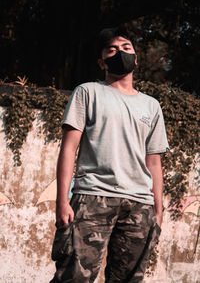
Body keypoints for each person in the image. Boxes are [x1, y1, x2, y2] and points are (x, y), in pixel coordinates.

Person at [50, 26, 170, 283]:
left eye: (126, 48)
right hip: (93, 196)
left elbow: (154, 162)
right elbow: (69, 148)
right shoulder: (88, 92)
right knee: (74, 277)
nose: (120, 53)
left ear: (136, 58)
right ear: (101, 61)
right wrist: (62, 201)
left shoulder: (151, 105)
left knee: (128, 279)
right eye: (112, 49)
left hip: (139, 205)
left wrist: (158, 210)